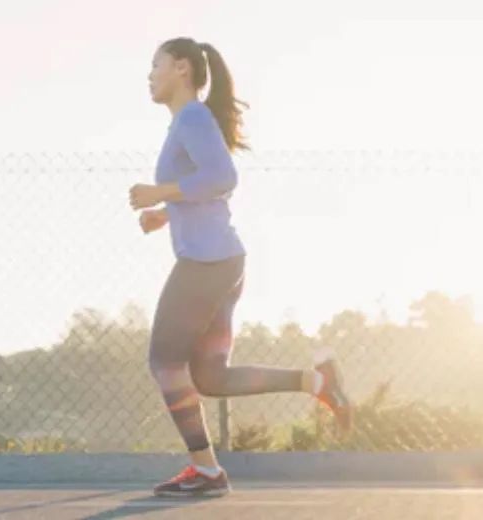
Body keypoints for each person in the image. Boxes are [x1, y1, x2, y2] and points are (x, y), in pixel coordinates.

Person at [128, 37, 353, 498]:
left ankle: (207, 472)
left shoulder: (191, 117)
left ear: (183, 69)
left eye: (156, 65)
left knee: (165, 361)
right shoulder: (188, 122)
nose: (149, 74)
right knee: (209, 377)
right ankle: (318, 381)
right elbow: (210, 188)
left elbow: (223, 178)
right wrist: (166, 214)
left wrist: (160, 193)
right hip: (223, 260)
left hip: (206, 263)